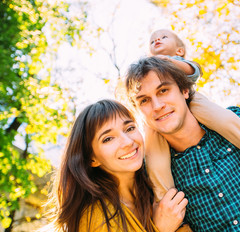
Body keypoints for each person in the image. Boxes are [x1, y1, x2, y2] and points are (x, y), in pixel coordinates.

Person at [124, 57, 240, 231]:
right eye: (144, 100)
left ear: (184, 91)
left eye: (163, 90)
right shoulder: (149, 175)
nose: (157, 106)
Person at [145, 29, 240, 207]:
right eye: (152, 40)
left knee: (226, 121)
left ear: (179, 51)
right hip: (155, 125)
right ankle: (168, 205)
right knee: (155, 160)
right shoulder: (146, 69)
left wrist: (170, 62)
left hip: (194, 102)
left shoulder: (176, 61)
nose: (157, 40)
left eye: (163, 37)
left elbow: (194, 71)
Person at [46, 99, 188, 232]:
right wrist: (162, 229)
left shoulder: (154, 183)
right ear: (92, 159)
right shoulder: (95, 218)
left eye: (129, 128)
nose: (127, 142)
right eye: (108, 139)